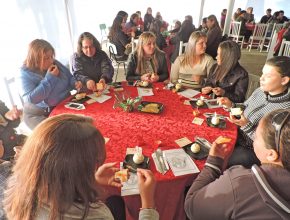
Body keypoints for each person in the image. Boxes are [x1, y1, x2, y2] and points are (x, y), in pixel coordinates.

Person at [4, 114, 159, 220]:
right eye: (94, 165)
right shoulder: (97, 216)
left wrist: (93, 181)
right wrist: (148, 204)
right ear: (77, 173)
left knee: (115, 203)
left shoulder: (19, 188)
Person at [184, 109, 290, 220]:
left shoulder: (238, 183)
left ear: (271, 154)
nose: (253, 137)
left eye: (257, 136)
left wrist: (212, 165)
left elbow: (191, 206)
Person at [218, 56, 290, 168]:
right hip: (236, 134)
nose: (261, 78)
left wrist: (246, 126)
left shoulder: (284, 110)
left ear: (284, 80)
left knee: (220, 159)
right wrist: (231, 105)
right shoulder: (260, 92)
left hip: (251, 149)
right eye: (262, 74)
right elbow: (245, 106)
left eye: (268, 76)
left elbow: (270, 145)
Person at [19, 39, 82, 130]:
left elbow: (69, 77)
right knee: (61, 135)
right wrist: (50, 78)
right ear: (36, 59)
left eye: (51, 56)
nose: (51, 61)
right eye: (46, 58)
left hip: (63, 105)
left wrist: (75, 83)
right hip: (40, 114)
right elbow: (32, 99)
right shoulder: (25, 73)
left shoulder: (54, 63)